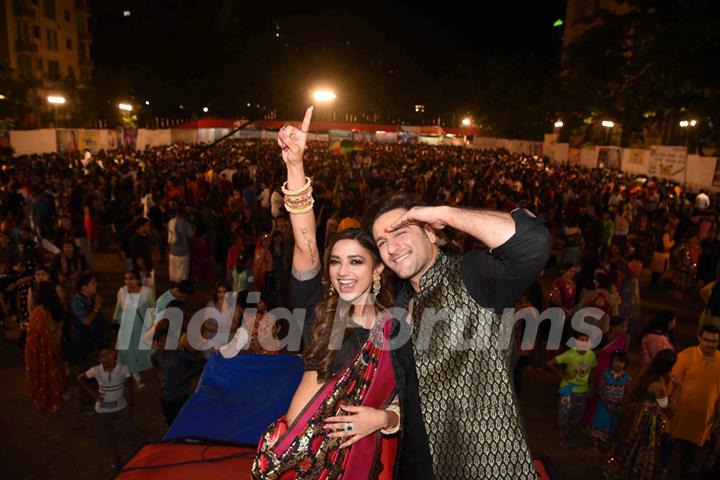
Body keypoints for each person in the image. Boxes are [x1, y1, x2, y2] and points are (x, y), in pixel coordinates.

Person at [253, 107, 401, 479]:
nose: (342, 272)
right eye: (336, 262)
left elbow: (415, 400)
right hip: (297, 461)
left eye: (356, 262)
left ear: (378, 267)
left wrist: (383, 418)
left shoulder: (396, 329)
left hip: (356, 463)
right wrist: (295, 165)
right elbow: (305, 247)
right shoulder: (318, 310)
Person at [368, 191, 551, 476]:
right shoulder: (399, 304)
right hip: (415, 464)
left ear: (430, 234)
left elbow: (533, 244)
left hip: (481, 467)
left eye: (400, 233)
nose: (392, 247)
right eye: (382, 242)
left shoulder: (470, 275)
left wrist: (447, 214)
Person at [604, 349, 677, 480]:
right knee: (639, 448)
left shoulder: (646, 371)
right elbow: (665, 406)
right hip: (645, 419)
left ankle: (615, 470)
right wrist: (676, 389)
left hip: (633, 414)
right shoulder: (659, 385)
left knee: (625, 444)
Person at [662, 325, 720, 476]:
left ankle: (685, 470)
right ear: (699, 338)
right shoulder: (686, 356)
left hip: (701, 417)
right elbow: (672, 383)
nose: (710, 344)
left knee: (691, 448)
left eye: (714, 341)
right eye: (706, 340)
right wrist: (668, 405)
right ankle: (662, 468)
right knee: (669, 443)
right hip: (679, 413)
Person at [77, 347, 139, 475]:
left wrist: (130, 405)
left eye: (110, 354)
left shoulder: (122, 368)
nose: (109, 357)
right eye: (104, 356)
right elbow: (80, 378)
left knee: (128, 431)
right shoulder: (96, 370)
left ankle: (137, 459)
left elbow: (130, 385)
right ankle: (117, 462)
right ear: (99, 359)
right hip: (103, 410)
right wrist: (94, 394)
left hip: (121, 407)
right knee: (110, 437)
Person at [151, 321, 206, 426]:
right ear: (158, 343)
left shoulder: (180, 355)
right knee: (169, 419)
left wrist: (187, 375)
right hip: (164, 397)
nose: (164, 344)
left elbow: (202, 362)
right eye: (161, 342)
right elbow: (153, 360)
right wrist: (157, 371)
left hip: (179, 396)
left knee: (184, 418)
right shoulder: (157, 355)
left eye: (167, 342)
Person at [547, 333, 598, 447]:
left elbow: (593, 369)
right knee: (564, 413)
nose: (584, 343)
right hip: (568, 389)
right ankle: (561, 435)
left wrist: (590, 386)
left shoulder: (591, 355)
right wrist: (562, 375)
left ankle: (566, 432)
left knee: (577, 414)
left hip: (582, 390)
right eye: (581, 341)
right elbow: (550, 363)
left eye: (586, 341)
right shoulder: (570, 355)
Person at [24, 281, 67, 414]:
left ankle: (50, 400)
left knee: (46, 374)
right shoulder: (57, 308)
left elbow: (34, 333)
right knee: (57, 370)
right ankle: (59, 394)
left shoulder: (38, 312)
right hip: (56, 345)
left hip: (44, 349)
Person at [113, 270, 156, 388]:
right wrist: (116, 319)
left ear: (138, 280)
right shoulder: (122, 292)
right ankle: (135, 376)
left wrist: (152, 326)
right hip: (126, 328)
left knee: (142, 351)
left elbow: (152, 309)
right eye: (126, 279)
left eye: (131, 278)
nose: (128, 282)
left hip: (141, 328)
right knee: (129, 352)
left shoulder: (147, 292)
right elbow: (118, 308)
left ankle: (134, 371)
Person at [589, 350, 631, 448]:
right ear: (611, 361)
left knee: (611, 422)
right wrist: (605, 402)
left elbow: (627, 391)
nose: (618, 364)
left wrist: (622, 403)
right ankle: (595, 440)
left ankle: (605, 440)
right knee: (600, 420)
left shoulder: (626, 377)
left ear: (625, 364)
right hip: (604, 403)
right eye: (616, 361)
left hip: (617, 404)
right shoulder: (606, 374)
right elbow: (600, 389)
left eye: (621, 362)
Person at [128, 218, 154, 291]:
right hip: (142, 272)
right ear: (141, 227)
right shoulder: (135, 240)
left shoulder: (144, 236)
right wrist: (146, 272)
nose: (149, 227)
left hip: (147, 270)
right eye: (147, 225)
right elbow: (139, 259)